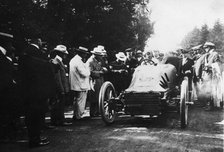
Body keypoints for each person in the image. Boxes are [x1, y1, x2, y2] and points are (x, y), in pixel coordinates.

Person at [19, 36, 56, 147]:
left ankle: (34, 137)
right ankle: (36, 139)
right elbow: (46, 73)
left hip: (27, 92)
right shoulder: (38, 54)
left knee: (30, 117)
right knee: (37, 116)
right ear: (38, 41)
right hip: (38, 92)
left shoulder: (25, 53)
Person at [50, 45, 71, 126]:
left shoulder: (59, 61)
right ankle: (58, 121)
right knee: (58, 104)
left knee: (60, 104)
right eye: (64, 54)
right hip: (58, 87)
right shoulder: (56, 61)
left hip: (61, 86)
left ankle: (58, 120)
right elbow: (57, 77)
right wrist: (61, 89)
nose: (65, 55)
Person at [69, 46, 90, 120]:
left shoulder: (74, 60)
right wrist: (88, 70)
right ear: (82, 53)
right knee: (80, 101)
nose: (86, 55)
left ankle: (76, 115)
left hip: (76, 83)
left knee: (77, 100)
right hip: (80, 84)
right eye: (85, 54)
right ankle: (79, 116)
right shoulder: (78, 61)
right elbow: (84, 73)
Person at [86, 45, 108, 117]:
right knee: (94, 97)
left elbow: (100, 68)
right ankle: (93, 112)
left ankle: (98, 111)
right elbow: (90, 72)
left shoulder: (99, 60)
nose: (101, 57)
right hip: (94, 81)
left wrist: (103, 69)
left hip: (100, 80)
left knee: (100, 96)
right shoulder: (90, 61)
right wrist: (100, 72)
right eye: (100, 55)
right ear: (95, 55)